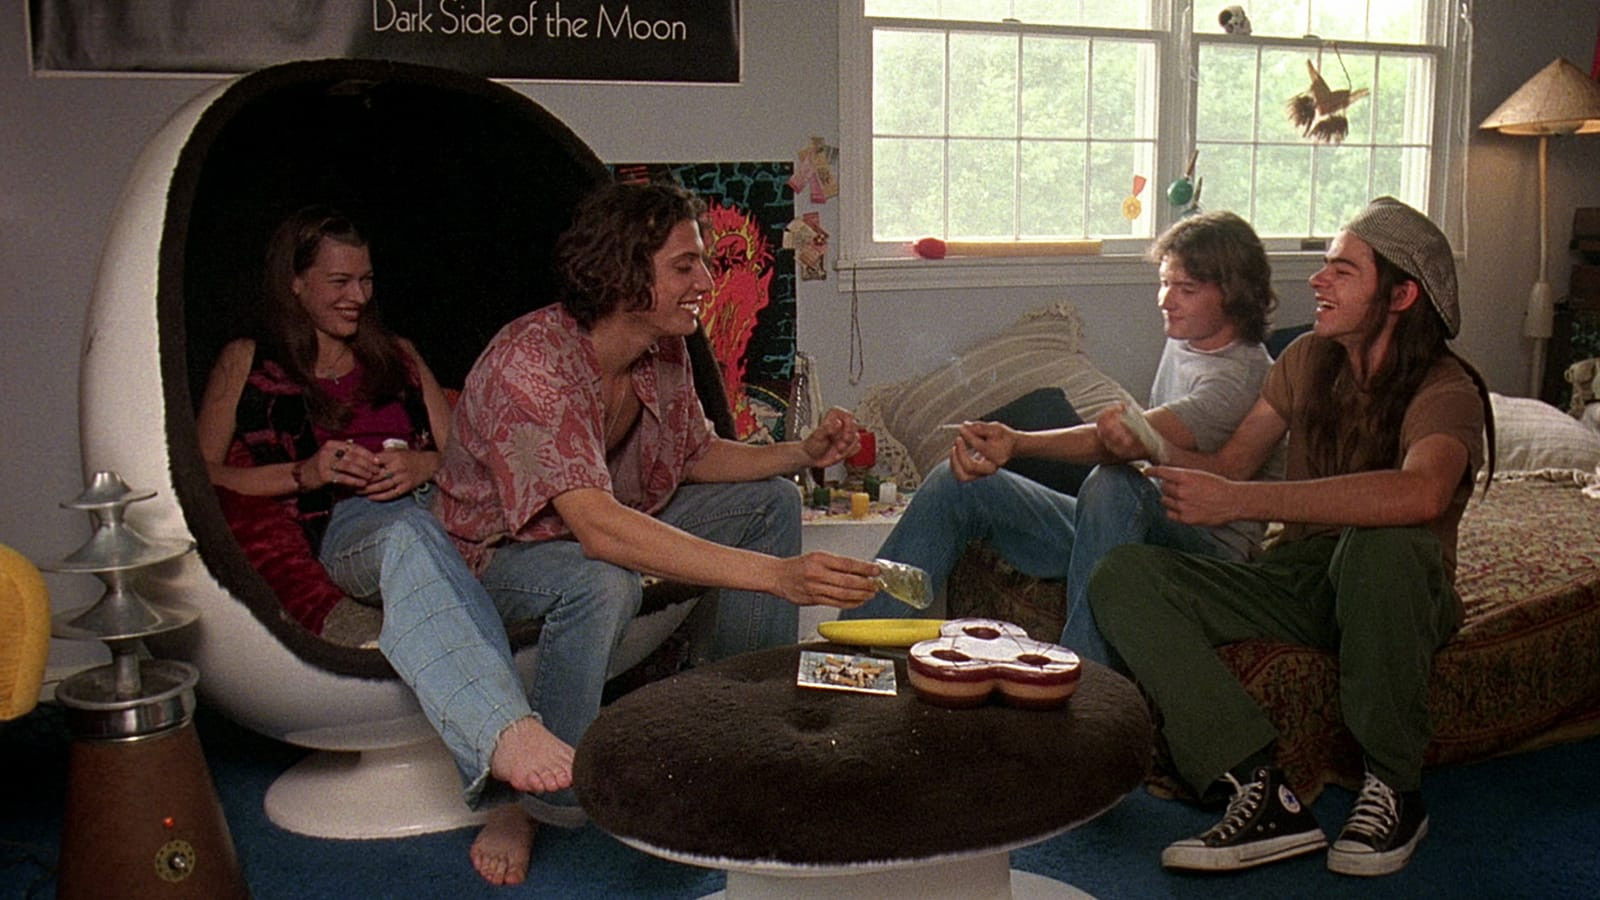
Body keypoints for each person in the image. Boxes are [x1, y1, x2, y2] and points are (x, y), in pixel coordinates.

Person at [432, 180, 879, 884]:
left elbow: (694, 454)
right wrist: (776, 577)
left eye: (702, 262)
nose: (706, 282)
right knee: (601, 580)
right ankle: (535, 797)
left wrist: (800, 453)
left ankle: (734, 733)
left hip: (598, 523)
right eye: (684, 266)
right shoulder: (532, 364)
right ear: (621, 274)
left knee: (770, 502)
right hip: (497, 556)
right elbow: (600, 532)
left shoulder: (664, 347)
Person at [1088, 197, 1492, 878]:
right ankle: (1261, 790)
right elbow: (1231, 466)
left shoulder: (1447, 389)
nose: (1317, 280)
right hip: (1301, 577)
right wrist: (1145, 444)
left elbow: (1420, 492)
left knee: (1379, 543)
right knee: (1124, 576)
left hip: (1397, 584)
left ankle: (1395, 788)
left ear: (1400, 295)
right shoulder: (1305, 359)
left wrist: (1244, 500)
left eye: (1343, 270)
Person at [195, 206, 571, 886]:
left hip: (433, 508)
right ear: (295, 282)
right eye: (339, 282)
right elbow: (198, 477)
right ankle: (507, 745)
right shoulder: (248, 360)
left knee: (450, 533)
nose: (357, 297)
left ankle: (506, 747)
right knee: (404, 532)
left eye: (366, 280)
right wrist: (307, 472)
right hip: (348, 523)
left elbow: (465, 453)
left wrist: (422, 465)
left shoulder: (396, 353)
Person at [840, 211, 1280, 666]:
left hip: (1202, 558)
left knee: (1112, 483)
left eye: (1185, 289)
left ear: (1233, 295)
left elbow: (1124, 443)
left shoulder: (1236, 378)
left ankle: (1085, 677)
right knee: (954, 484)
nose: (1166, 300)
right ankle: (847, 655)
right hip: (1135, 530)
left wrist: (1018, 443)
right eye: (1165, 283)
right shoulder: (1187, 339)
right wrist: (1014, 443)